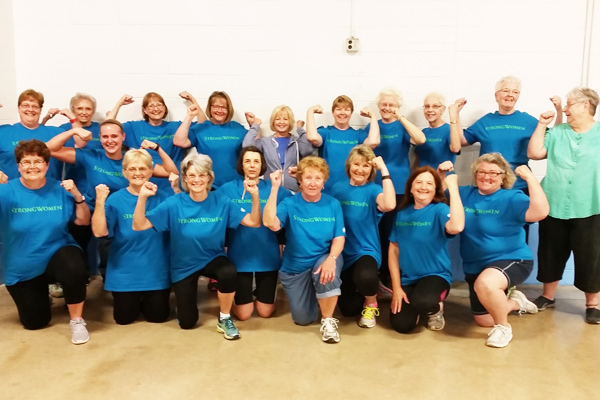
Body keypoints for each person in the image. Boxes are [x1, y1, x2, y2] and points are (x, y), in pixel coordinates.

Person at [132, 153, 261, 339]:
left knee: (228, 272)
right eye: (191, 175)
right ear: (185, 178)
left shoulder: (221, 201)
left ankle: (224, 318)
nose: (197, 180)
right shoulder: (174, 203)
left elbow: (254, 222)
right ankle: (184, 307)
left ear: (209, 177)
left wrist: (254, 196)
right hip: (183, 264)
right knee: (187, 323)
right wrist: (142, 197)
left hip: (212, 258)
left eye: (202, 175)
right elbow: (139, 225)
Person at [46, 119, 178, 278]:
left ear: (123, 137)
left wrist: (157, 148)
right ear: (100, 138)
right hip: (95, 210)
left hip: (125, 213)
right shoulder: (91, 156)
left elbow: (172, 173)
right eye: (105, 136)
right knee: (77, 241)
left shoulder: (131, 160)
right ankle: (80, 280)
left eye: (114, 136)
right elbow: (48, 149)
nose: (110, 141)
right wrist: (73, 131)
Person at [448, 153, 549, 348]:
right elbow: (432, 192)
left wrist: (530, 178)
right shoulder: (464, 193)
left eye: (493, 173)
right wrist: (441, 173)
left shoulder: (512, 197)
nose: (487, 176)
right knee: (484, 319)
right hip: (475, 265)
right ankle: (515, 302)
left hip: (512, 259)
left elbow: (541, 212)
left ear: (503, 177)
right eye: (482, 172)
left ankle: (503, 328)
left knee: (485, 284)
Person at [0, 139, 90, 344]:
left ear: (47, 165)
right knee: (35, 322)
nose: (33, 167)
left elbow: (83, 220)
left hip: (56, 252)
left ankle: (77, 320)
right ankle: (41, 292)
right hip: (23, 263)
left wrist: (77, 196)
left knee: (74, 266)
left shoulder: (59, 189)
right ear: (19, 166)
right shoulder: (6, 191)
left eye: (38, 161)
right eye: (27, 162)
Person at [528, 87, 600, 324]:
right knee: (551, 251)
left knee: (590, 256)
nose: (566, 109)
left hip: (590, 204)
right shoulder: (558, 132)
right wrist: (541, 124)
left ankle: (593, 304)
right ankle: (548, 296)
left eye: (570, 105)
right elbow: (535, 152)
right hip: (554, 202)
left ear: (586, 106)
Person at [263, 156, 345, 343]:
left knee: (326, 272)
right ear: (299, 181)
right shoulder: (290, 203)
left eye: (318, 178)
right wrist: (275, 188)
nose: (313, 183)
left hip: (323, 257)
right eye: (308, 177)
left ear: (324, 181)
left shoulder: (332, 204)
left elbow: (339, 238)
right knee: (303, 319)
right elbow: (270, 223)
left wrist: (331, 259)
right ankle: (319, 296)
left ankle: (328, 320)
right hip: (295, 268)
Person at [91, 149, 171, 325]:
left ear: (151, 171)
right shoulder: (115, 199)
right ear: (124, 172)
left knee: (157, 317)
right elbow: (99, 232)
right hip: (124, 272)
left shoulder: (164, 199)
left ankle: (149, 297)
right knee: (124, 319)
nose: (137, 173)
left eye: (143, 169)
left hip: (155, 271)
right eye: (132, 169)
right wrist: (99, 201)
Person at [388, 166, 464, 334]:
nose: (424, 187)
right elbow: (394, 251)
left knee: (424, 301)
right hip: (409, 279)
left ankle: (435, 309)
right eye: (419, 182)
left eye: (429, 183)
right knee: (401, 325)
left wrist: (453, 188)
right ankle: (416, 308)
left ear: (435, 189)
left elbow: (457, 226)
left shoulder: (440, 210)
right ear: (411, 188)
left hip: (436, 275)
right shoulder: (401, 214)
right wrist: (397, 288)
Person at [217, 146, 290, 320]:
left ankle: (263, 294)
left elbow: (292, 211)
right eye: (247, 161)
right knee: (243, 315)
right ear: (241, 165)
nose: (252, 165)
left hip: (267, 256)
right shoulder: (227, 190)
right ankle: (237, 296)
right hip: (239, 257)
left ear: (262, 165)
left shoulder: (277, 190)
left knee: (264, 312)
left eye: (256, 161)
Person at [329, 145, 396, 328]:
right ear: (349, 165)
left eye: (366, 166)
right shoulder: (336, 188)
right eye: (356, 164)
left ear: (371, 170)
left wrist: (384, 170)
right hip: (342, 252)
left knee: (366, 277)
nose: (360, 169)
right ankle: (374, 287)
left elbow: (389, 205)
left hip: (365, 251)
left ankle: (371, 301)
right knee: (349, 309)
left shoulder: (373, 190)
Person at [458, 76, 562, 192]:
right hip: (490, 184)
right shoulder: (485, 121)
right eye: (506, 90)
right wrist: (455, 114)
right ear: (496, 96)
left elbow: (555, 138)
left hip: (520, 186)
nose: (510, 95)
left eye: (515, 92)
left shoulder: (528, 121)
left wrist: (559, 111)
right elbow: (461, 141)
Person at [368, 88, 426, 292]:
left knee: (397, 232)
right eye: (383, 104)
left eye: (391, 104)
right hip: (376, 188)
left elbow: (420, 140)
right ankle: (380, 275)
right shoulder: (372, 127)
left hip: (400, 187)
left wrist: (401, 117)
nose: (387, 108)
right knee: (379, 233)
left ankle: (397, 276)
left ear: (398, 107)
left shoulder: (403, 127)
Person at [107, 92, 201, 190]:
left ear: (165, 108)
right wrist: (119, 103)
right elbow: (108, 127)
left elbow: (203, 125)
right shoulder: (133, 127)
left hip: (172, 185)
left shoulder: (176, 127)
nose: (156, 109)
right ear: (145, 110)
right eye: (151, 106)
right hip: (143, 185)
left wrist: (193, 100)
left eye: (159, 105)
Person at [173, 91, 254, 189]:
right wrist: (189, 117)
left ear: (229, 109)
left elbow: (254, 146)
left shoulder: (237, 128)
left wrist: (253, 125)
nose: (219, 110)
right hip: (209, 186)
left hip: (235, 185)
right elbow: (179, 141)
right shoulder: (201, 128)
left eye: (223, 107)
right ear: (210, 108)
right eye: (215, 106)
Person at [305, 95, 380, 189]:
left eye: (347, 109)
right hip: (327, 188)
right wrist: (310, 111)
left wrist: (373, 116)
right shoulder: (326, 132)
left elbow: (374, 142)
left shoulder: (357, 135)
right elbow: (312, 138)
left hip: (351, 189)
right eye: (338, 109)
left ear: (351, 113)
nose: (342, 113)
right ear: (333, 112)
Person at [0, 89, 76, 181]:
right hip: (12, 193)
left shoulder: (57, 133)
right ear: (18, 108)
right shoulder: (3, 132)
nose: (30, 109)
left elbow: (80, 143)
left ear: (40, 110)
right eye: (25, 105)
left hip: (50, 193)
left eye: (35, 106)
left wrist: (73, 118)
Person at [242, 106, 315, 192]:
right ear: (273, 122)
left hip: (293, 191)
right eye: (278, 119)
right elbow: (247, 146)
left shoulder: (296, 141)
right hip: (270, 190)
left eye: (285, 119)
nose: (281, 122)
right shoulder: (265, 142)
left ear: (290, 122)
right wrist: (255, 125)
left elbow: (307, 150)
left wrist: (300, 129)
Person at [414, 93, 462, 169]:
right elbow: (417, 160)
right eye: (427, 106)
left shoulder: (450, 129)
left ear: (443, 109)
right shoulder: (423, 132)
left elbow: (456, 148)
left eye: (435, 106)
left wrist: (454, 115)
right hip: (424, 178)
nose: (430, 110)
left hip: (442, 178)